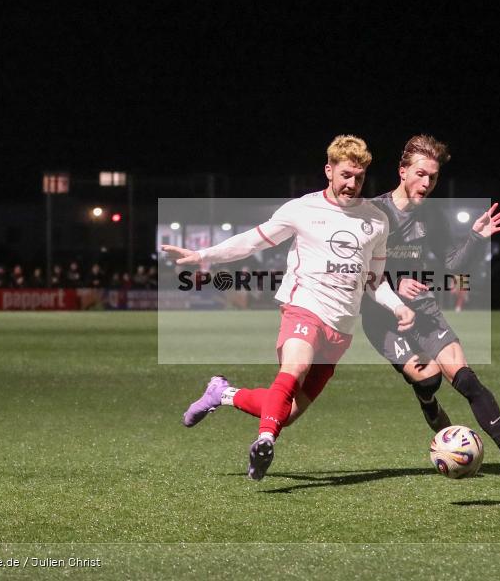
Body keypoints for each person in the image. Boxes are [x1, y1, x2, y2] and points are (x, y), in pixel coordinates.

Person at [162, 135, 414, 481]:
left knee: (289, 411)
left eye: (358, 177)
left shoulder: (376, 220)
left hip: (340, 328)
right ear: (329, 170)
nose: (352, 184)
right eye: (345, 175)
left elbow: (374, 280)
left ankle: (223, 393)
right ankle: (265, 440)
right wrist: (202, 256)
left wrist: (397, 306)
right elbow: (252, 240)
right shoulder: (301, 209)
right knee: (295, 368)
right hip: (303, 307)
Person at [358, 134, 500, 483]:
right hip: (383, 319)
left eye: (432, 176)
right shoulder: (373, 214)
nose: (426, 183)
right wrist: (396, 284)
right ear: (402, 171)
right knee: (427, 378)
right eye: (420, 173)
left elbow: (452, 268)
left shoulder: (434, 217)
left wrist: (476, 239)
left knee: (465, 378)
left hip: (424, 311)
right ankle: (428, 401)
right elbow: (360, 273)